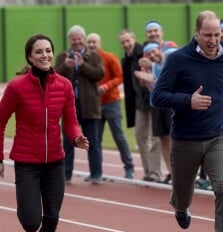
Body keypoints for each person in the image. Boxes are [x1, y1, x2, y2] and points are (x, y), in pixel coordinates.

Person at [152, 11, 223, 232]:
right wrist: (186, 101)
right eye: (208, 35)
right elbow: (157, 96)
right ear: (196, 32)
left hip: (217, 137)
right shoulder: (178, 59)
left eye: (217, 35)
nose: (214, 40)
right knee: (183, 194)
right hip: (185, 139)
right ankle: (180, 205)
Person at [0, 34, 89, 232]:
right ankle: (28, 219)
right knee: (31, 223)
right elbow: (0, 120)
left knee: (52, 218)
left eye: (48, 51)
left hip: (55, 163)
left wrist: (77, 137)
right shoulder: (17, 87)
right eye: (39, 52)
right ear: (30, 56)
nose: (45, 55)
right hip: (27, 162)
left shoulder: (63, 85)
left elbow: (70, 121)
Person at [55, 25, 104, 184]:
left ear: (83, 39)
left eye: (78, 38)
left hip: (89, 105)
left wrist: (82, 65)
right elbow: (53, 76)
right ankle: (65, 174)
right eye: (73, 39)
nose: (76, 42)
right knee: (68, 141)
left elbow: (99, 75)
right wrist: (65, 66)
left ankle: (96, 174)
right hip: (69, 106)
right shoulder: (63, 56)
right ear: (70, 40)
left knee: (93, 141)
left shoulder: (94, 56)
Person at [86, 33, 135, 179]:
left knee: (118, 135)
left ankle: (129, 167)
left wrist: (107, 86)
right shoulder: (85, 60)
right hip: (95, 105)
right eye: (89, 42)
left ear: (99, 43)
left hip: (112, 102)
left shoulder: (109, 57)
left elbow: (120, 76)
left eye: (94, 42)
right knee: (95, 139)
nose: (92, 45)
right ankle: (96, 172)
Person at [118, 29, 162, 182]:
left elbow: (158, 69)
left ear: (134, 39)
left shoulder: (144, 52)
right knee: (140, 137)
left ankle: (155, 173)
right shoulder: (126, 60)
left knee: (156, 137)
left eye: (127, 40)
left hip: (154, 101)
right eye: (122, 42)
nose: (125, 44)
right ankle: (148, 171)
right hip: (139, 103)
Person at [135, 42, 177, 184]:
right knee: (163, 139)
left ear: (160, 50)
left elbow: (171, 82)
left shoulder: (170, 60)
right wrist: (145, 79)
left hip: (171, 105)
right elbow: (151, 87)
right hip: (157, 105)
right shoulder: (152, 67)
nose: (153, 55)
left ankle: (181, 172)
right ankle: (171, 173)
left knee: (175, 139)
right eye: (149, 54)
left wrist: (153, 79)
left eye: (154, 52)